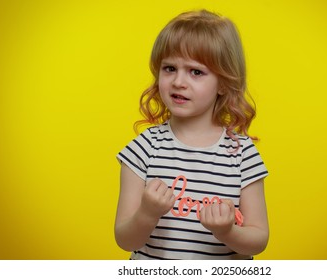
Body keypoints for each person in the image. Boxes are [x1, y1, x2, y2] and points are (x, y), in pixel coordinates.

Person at [114, 9, 269, 260]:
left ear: (224, 84)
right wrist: (147, 213)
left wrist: (227, 231)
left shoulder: (242, 154)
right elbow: (124, 239)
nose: (178, 81)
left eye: (196, 72)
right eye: (170, 68)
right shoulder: (143, 149)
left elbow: (259, 240)